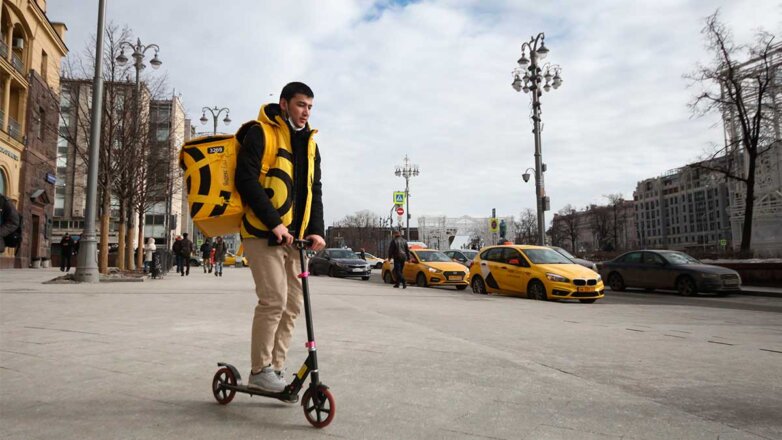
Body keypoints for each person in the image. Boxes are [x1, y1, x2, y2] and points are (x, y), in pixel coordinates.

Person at [235, 81, 325, 393]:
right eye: (301, 105)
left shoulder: (311, 145)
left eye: (310, 107)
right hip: (262, 233)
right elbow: (245, 180)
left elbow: (315, 191)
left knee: (292, 305)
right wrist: (275, 223)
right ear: (285, 104)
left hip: (296, 240)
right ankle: (260, 370)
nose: (306, 112)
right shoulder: (261, 133)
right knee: (273, 299)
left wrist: (317, 230)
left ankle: (276, 367)